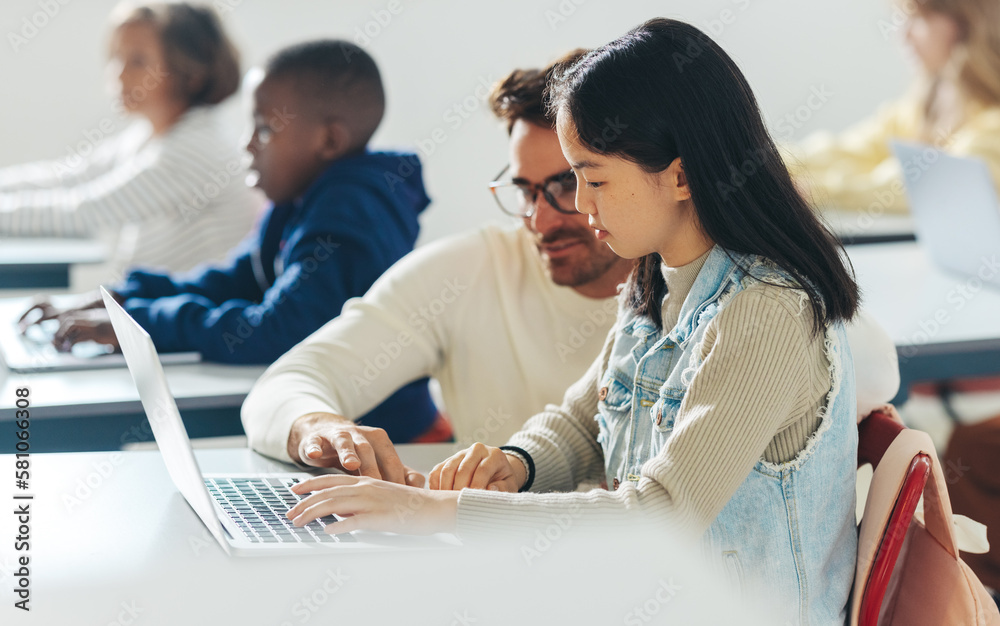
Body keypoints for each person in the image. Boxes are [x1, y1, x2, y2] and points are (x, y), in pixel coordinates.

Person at [283, 20, 881, 624]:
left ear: (680, 175)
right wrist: (515, 464)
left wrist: (438, 513)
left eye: (591, 180)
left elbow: (660, 514)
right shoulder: (655, 276)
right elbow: (584, 421)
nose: (582, 204)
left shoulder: (767, 311)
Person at [240, 50, 634, 484]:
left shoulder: (693, 291)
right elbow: (287, 382)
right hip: (482, 541)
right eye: (524, 191)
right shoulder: (469, 269)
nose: (540, 221)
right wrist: (317, 427)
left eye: (568, 182)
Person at [19, 39, 438, 443]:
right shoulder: (301, 198)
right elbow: (239, 279)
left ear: (328, 140)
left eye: (264, 130)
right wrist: (128, 301)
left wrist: (147, 322)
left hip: (396, 446)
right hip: (333, 435)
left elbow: (276, 330)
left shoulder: (351, 212)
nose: (247, 145)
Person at [0, 2, 262, 273]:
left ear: (190, 73)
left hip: (188, 310)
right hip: (151, 305)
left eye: (138, 61)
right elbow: (68, 177)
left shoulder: (198, 148)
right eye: (116, 57)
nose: (119, 75)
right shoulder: (147, 136)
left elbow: (85, 211)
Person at [786, 0, 1000, 214]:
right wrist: (774, 162)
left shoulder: (993, 123)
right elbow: (853, 150)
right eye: (901, 19)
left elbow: (930, 185)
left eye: (918, 19)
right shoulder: (918, 106)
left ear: (967, 23)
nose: (903, 36)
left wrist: (818, 190)